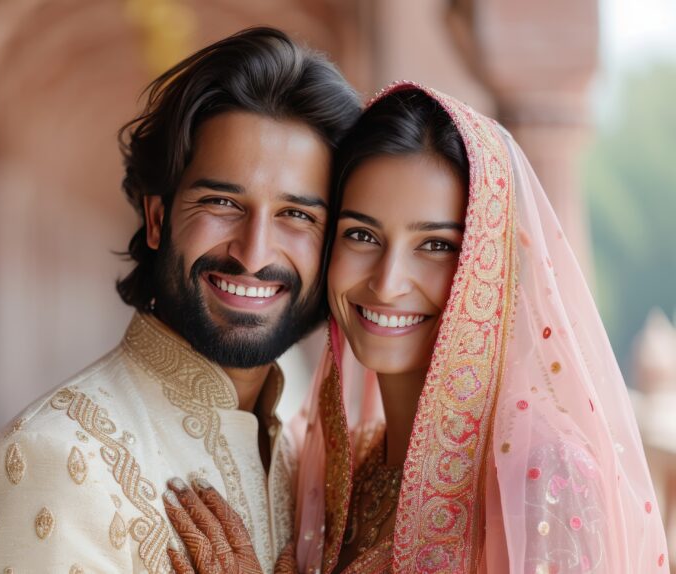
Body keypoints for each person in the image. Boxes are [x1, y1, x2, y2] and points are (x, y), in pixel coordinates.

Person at [162, 82, 669, 573]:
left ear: (490, 265)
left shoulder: (542, 474)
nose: (386, 283)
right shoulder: (345, 469)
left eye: (436, 246)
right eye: (361, 235)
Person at [0, 28, 361, 574]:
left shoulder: (304, 467)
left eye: (297, 215)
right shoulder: (56, 465)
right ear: (158, 219)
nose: (254, 254)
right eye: (223, 202)